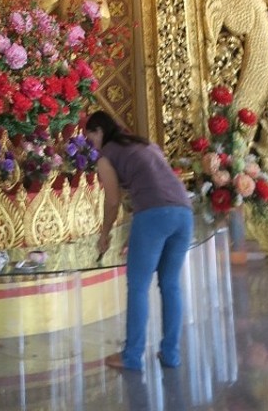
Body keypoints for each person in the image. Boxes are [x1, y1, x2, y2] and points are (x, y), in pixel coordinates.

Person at [85, 110, 193, 373]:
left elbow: (112, 201)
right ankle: (171, 354)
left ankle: (132, 356)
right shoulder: (144, 144)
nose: (92, 145)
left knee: (138, 287)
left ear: (99, 131)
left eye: (91, 138)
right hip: (184, 213)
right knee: (170, 285)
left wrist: (105, 233)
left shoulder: (107, 155)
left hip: (154, 214)